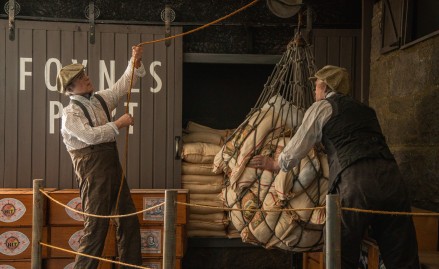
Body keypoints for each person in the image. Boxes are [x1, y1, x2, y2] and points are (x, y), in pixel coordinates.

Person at [249, 65, 420, 269]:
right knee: (401, 255)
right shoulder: (367, 110)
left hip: (357, 182)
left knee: (341, 251)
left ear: (325, 86)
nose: (314, 91)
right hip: (393, 180)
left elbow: (299, 143)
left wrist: (277, 164)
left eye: (316, 86)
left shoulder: (323, 107)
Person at [56, 46, 146, 269]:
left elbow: (122, 86)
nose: (87, 79)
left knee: (129, 222)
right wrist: (118, 124)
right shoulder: (70, 114)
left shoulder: (100, 100)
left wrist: (133, 62)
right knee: (96, 228)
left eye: (84, 74)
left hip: (113, 170)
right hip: (92, 174)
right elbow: (90, 136)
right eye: (80, 78)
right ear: (70, 88)